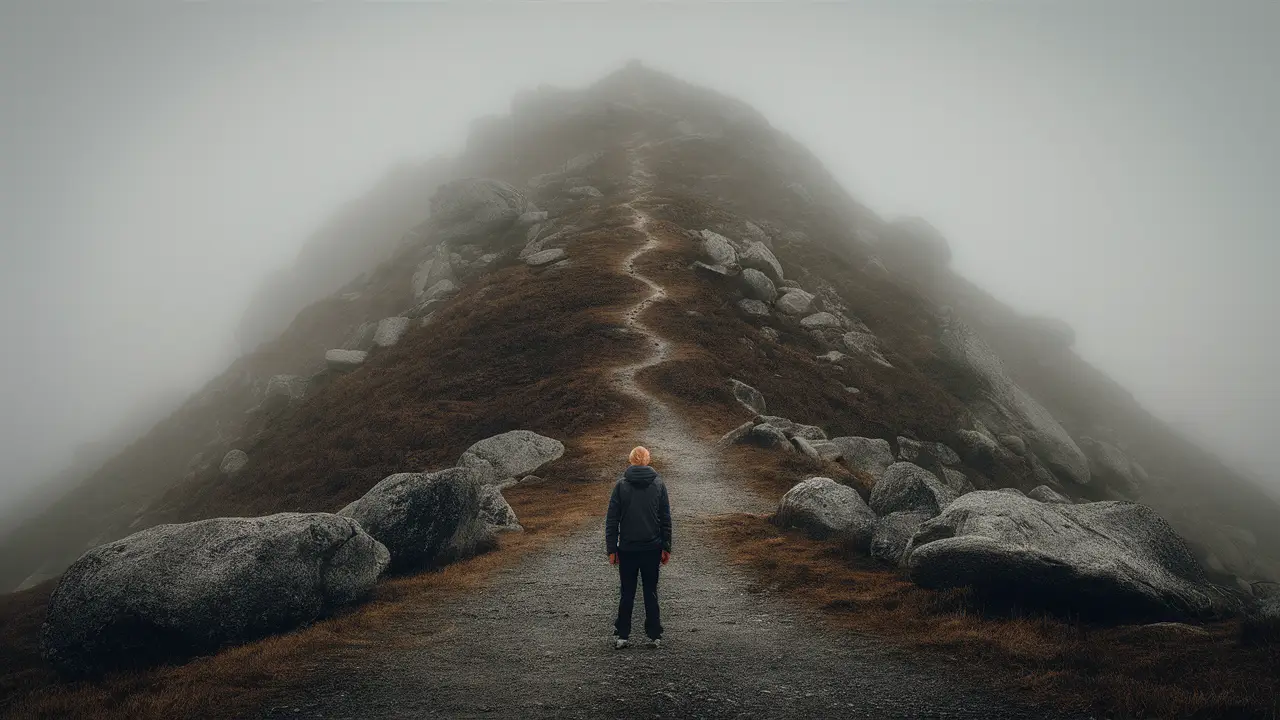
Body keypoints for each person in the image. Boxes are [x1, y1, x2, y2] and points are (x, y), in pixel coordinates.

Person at [605, 445, 672, 649]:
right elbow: (665, 519)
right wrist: (666, 546)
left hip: (627, 549)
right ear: (647, 460)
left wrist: (611, 549)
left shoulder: (620, 486)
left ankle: (623, 635)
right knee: (650, 591)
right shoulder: (659, 485)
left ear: (631, 460)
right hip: (652, 548)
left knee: (627, 592)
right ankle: (654, 635)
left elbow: (612, 520)